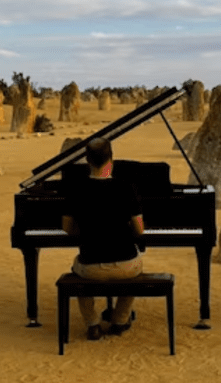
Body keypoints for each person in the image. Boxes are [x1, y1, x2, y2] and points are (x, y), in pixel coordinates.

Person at [62, 137, 145, 340]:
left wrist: (86, 230)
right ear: (111, 159)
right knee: (136, 267)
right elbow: (139, 230)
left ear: (87, 161)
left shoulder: (76, 188)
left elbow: (67, 229)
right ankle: (119, 319)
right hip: (125, 266)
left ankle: (92, 323)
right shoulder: (126, 187)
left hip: (91, 267)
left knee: (77, 268)